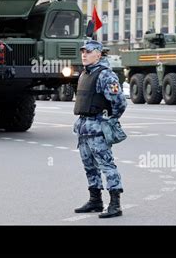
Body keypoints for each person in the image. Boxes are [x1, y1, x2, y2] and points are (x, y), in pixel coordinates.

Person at [73, 40, 127, 218]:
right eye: (83, 51)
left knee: (106, 165)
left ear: (99, 53)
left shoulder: (106, 75)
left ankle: (115, 204)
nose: (84, 54)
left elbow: (119, 102)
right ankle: (95, 200)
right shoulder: (85, 73)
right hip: (84, 128)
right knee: (89, 166)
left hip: (97, 128)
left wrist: (110, 120)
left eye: (88, 51)